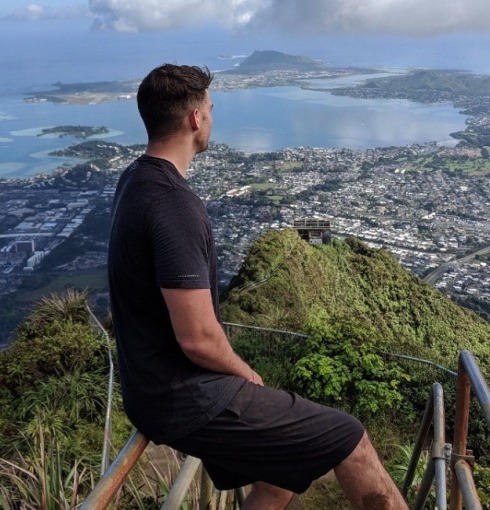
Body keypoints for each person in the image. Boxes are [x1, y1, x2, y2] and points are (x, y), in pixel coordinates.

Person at [108, 63, 408, 510]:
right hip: (185, 398)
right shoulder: (174, 204)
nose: (212, 117)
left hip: (149, 389)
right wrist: (244, 373)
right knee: (351, 438)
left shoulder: (135, 178)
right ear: (195, 118)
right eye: (210, 108)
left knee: (283, 469)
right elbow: (198, 337)